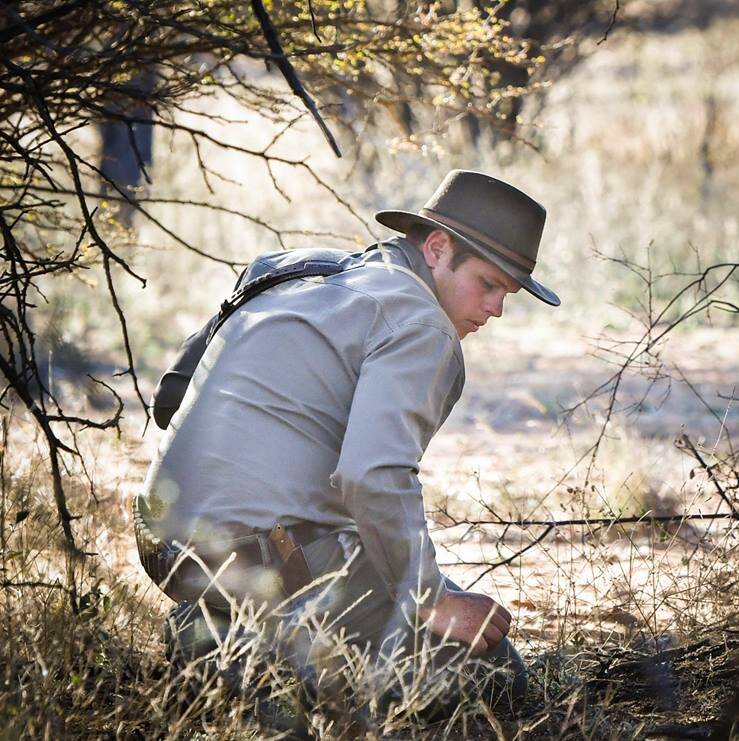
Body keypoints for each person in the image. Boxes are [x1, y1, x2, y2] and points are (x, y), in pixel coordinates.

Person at [134, 169, 560, 724]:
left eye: (507, 292)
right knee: (492, 671)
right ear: (436, 248)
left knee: (369, 560)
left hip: (160, 546)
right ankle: (244, 659)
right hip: (261, 558)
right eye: (488, 284)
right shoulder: (421, 323)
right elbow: (373, 475)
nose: (496, 309)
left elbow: (170, 399)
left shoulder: (291, 271)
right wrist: (431, 599)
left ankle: (228, 625)